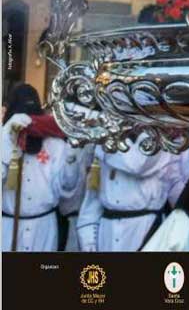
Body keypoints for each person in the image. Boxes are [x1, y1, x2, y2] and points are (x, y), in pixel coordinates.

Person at [1, 83, 84, 252]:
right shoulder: (4, 138)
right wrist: (7, 142)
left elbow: (67, 191)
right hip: (8, 226)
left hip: (44, 226)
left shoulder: (54, 144)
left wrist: (72, 157)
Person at [76, 134, 176, 252]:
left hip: (144, 228)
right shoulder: (104, 143)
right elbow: (93, 198)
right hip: (107, 233)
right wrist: (88, 239)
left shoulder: (157, 135)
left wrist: (104, 144)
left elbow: (137, 165)